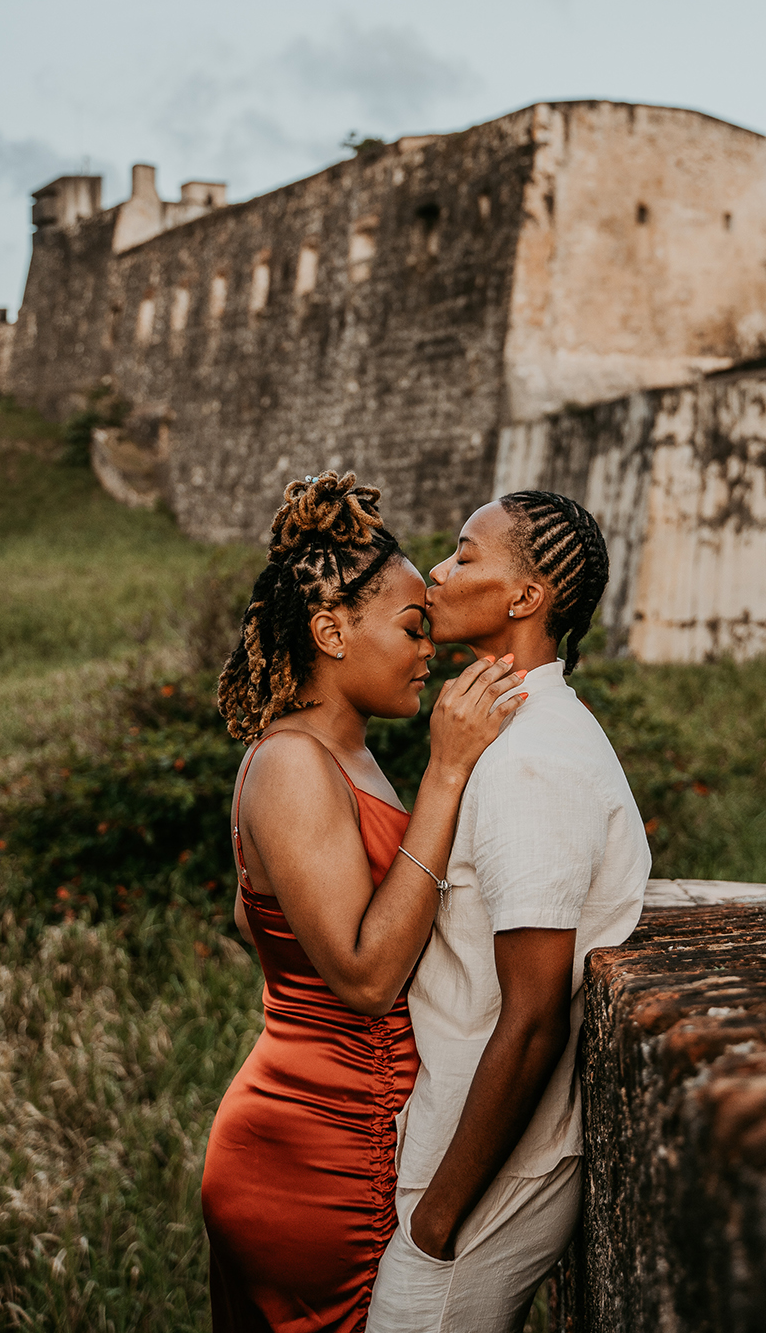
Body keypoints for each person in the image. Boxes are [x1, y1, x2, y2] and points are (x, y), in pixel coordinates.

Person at [201, 471, 526, 1333]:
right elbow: (365, 977)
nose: (432, 650)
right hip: (317, 1155)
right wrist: (448, 770)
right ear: (332, 629)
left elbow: (252, 920)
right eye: (414, 627)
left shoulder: (345, 759)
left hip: (340, 1126)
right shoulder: (293, 763)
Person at [367, 490, 652, 1333]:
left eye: (463, 556)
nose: (438, 576)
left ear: (526, 598)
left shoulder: (533, 761)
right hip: (464, 1146)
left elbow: (534, 1019)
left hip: (484, 1180)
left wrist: (438, 1220)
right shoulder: (518, 732)